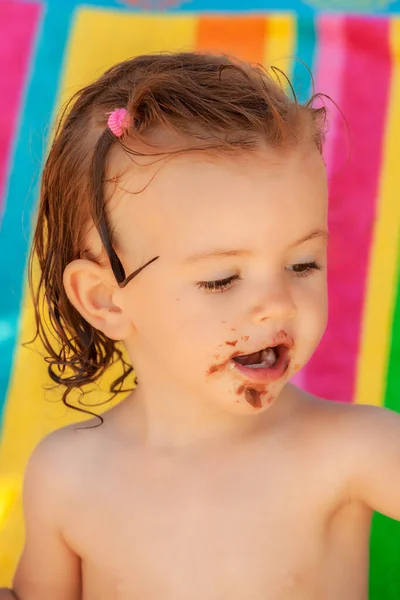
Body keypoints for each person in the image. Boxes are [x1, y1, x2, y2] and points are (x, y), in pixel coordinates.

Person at [1, 51, 399, 600]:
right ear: (105, 301)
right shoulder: (69, 474)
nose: (278, 305)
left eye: (303, 264)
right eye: (221, 279)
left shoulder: (354, 450)